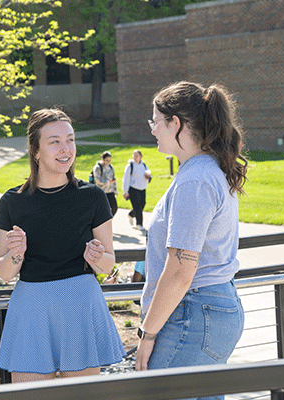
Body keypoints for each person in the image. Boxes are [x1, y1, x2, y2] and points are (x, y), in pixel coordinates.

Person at [0, 108, 126, 383]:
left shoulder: (93, 197)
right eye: (54, 142)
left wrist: (97, 257)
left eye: (71, 140)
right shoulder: (11, 202)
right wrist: (17, 255)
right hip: (32, 309)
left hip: (80, 304)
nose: (66, 149)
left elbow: (107, 264)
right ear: (35, 150)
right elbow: (5, 273)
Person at [135, 81, 248, 400]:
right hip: (211, 310)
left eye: (155, 121)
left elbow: (180, 271)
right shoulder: (209, 170)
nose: (153, 130)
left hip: (192, 313)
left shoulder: (195, 180)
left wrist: (147, 332)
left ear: (176, 123)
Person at [122, 149, 151, 232]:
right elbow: (126, 179)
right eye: (134, 156)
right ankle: (139, 224)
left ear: (141, 156)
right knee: (137, 206)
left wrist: (148, 177)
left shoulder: (144, 165)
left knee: (143, 204)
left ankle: (131, 214)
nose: (135, 157)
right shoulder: (130, 166)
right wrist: (125, 191)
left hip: (142, 189)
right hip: (133, 189)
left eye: (137, 156)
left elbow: (149, 175)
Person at [93, 150, 118, 216]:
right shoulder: (98, 167)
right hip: (101, 191)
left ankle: (107, 221)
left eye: (109, 160)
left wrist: (115, 190)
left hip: (110, 191)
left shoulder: (111, 167)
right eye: (106, 160)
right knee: (103, 209)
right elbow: (97, 180)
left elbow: (113, 178)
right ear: (102, 159)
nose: (108, 162)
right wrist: (108, 182)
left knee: (114, 208)